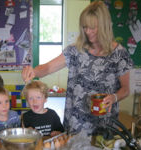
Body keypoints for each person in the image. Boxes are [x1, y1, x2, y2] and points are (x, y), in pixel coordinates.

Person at [22, 0, 133, 134]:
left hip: (104, 122)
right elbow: (48, 68)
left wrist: (114, 97)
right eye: (85, 27)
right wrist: (33, 71)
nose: (88, 32)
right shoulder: (75, 50)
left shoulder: (119, 54)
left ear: (104, 26)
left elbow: (126, 89)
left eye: (93, 28)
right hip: (76, 123)